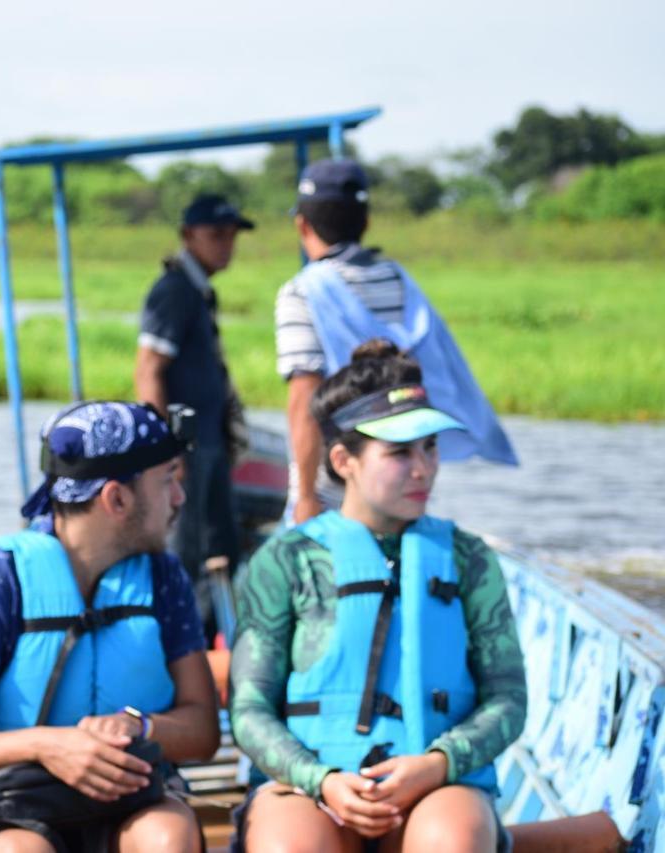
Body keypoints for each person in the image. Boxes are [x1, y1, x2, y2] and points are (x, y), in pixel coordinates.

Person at [228, 339, 527, 852]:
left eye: (430, 447)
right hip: (310, 783)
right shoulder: (285, 561)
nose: (424, 468)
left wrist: (438, 764)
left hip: (435, 782)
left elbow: (508, 697)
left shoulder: (470, 560)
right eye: (400, 453)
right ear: (344, 460)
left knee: (453, 838)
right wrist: (319, 779)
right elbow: (250, 709)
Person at [0, 401, 221, 852]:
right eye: (167, 481)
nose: (179, 498)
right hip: (13, 808)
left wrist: (137, 726)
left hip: (131, 802)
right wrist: (50, 746)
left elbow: (203, 732)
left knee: (168, 837)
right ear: (117, 499)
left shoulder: (164, 578)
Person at [275, 159, 517, 525]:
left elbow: (304, 398)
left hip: (340, 474)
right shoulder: (398, 279)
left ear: (302, 225)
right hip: (399, 472)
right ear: (366, 222)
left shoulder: (302, 292)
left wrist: (306, 497)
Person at [135, 193, 256, 628]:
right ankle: (183, 648)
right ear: (188, 236)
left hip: (207, 441)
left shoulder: (198, 291)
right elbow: (148, 370)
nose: (226, 244)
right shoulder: (174, 291)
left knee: (218, 546)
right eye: (216, 235)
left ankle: (208, 644)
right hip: (186, 447)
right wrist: (166, 451)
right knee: (186, 553)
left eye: (231, 236)